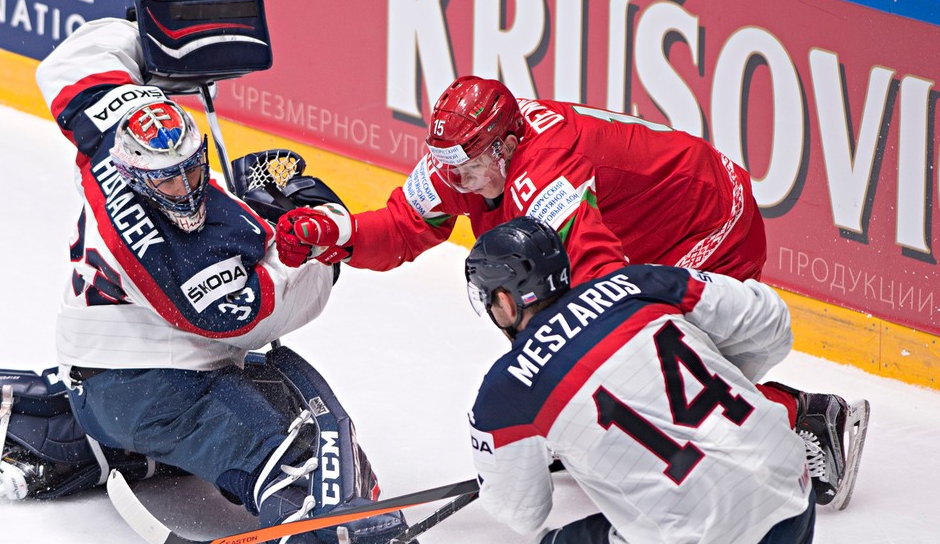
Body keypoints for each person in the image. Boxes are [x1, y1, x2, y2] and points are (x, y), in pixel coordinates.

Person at [276, 75, 863, 508]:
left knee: (650, 353)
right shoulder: (472, 157)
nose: (452, 179)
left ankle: (805, 418)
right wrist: (340, 230)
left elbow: (599, 284)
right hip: (638, 230)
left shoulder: (545, 175)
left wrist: (579, 386)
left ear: (505, 148)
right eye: (445, 163)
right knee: (555, 317)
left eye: (465, 166)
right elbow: (405, 226)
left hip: (708, 220)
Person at [31, 16, 409, 543]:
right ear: (138, 174)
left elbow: (74, 62)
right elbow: (250, 319)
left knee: (274, 393)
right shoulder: (171, 251)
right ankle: (316, 528)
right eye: (169, 177)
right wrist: (320, 248)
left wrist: (137, 32)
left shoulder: (108, 139)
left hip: (98, 373)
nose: (186, 187)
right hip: (152, 389)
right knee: (285, 456)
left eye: (191, 168)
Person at [464, 216, 816, 544]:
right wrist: (719, 379)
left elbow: (522, 513)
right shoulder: (636, 283)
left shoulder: (504, 390)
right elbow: (771, 321)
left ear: (507, 302)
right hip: (790, 487)